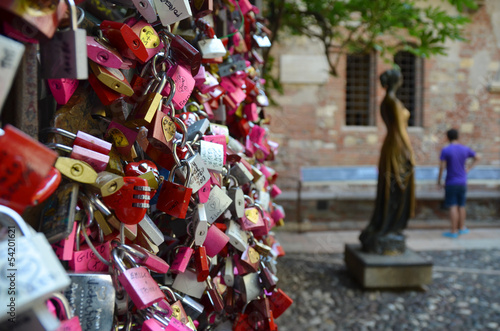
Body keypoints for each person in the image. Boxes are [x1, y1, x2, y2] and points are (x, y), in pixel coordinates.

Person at [359, 69, 416, 254]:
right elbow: (400, 129)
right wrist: (410, 153)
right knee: (396, 187)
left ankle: (388, 225)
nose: (402, 79)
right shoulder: (391, 101)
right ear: (395, 81)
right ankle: (388, 225)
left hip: (392, 146)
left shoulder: (388, 100)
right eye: (400, 77)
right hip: (398, 147)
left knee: (392, 187)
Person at [438, 128, 480, 238]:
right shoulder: (465, 149)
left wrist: (439, 180)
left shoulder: (446, 150)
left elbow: (442, 167)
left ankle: (453, 231)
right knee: (461, 205)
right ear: (458, 136)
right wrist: (468, 169)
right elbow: (477, 157)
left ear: (447, 137)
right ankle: (461, 228)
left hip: (451, 182)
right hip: (462, 181)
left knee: (453, 205)